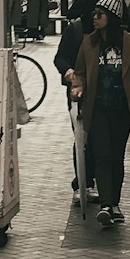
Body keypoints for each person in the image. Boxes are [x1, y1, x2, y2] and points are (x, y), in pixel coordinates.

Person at [71, 0, 130, 228]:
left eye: (100, 15)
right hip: (98, 108)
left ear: (113, 18)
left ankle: (115, 203)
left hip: (123, 110)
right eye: (94, 14)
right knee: (103, 154)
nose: (94, 19)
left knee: (117, 156)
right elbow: (80, 71)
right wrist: (78, 87)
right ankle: (106, 204)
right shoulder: (89, 42)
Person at [54, 14, 97, 203]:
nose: (95, 16)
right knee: (82, 138)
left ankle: (93, 183)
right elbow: (60, 58)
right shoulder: (75, 29)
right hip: (78, 92)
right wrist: (68, 71)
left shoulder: (109, 31)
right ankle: (82, 183)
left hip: (102, 92)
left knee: (98, 140)